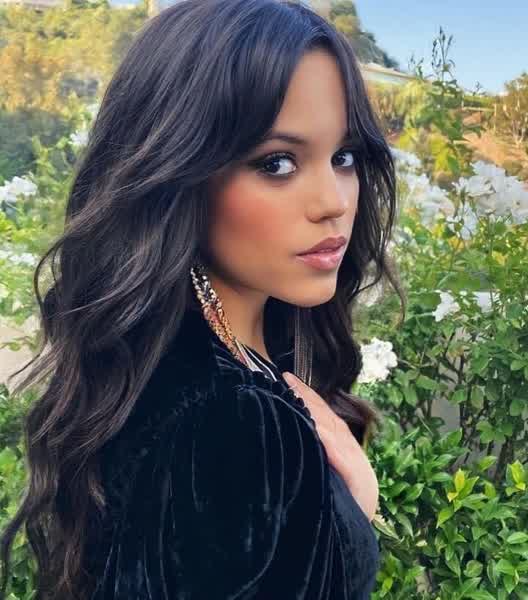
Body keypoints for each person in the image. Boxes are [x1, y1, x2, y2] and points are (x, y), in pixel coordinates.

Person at [0, 0, 404, 598]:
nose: (335, 201)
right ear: (179, 173)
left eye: (343, 157)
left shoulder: (175, 359)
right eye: (278, 163)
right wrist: (352, 516)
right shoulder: (230, 420)